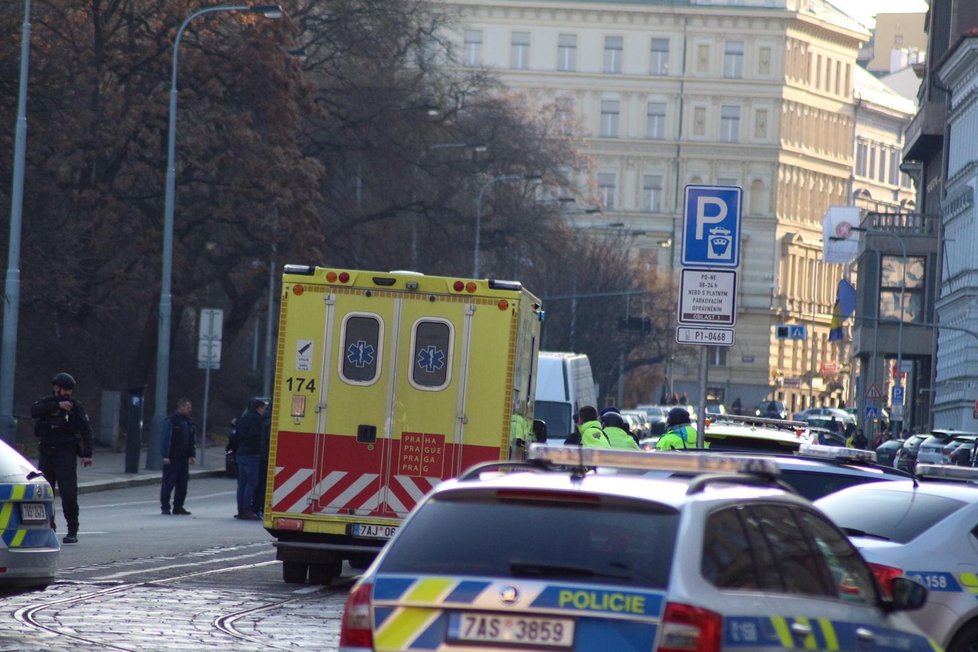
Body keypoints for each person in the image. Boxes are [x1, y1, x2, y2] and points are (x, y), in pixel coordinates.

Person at [31, 372, 93, 544]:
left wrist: (87, 453)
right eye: (64, 389)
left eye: (70, 390)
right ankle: (49, 527)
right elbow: (34, 411)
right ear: (56, 388)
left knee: (68, 493)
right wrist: (57, 406)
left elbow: (86, 429)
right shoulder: (47, 403)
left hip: (65, 452)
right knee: (45, 493)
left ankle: (72, 529)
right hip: (47, 452)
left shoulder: (75, 406)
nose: (67, 393)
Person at [228, 398, 266, 520]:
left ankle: (240, 509)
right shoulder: (257, 420)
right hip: (251, 454)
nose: (264, 411)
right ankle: (246, 509)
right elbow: (256, 437)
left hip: (240, 453)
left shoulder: (242, 418)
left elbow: (234, 436)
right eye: (263, 409)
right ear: (259, 408)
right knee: (252, 483)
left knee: (242, 484)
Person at [160, 398, 196, 516]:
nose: (189, 410)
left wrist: (192, 454)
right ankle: (165, 506)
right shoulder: (171, 420)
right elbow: (166, 439)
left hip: (183, 457)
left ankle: (178, 506)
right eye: (187, 407)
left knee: (182, 484)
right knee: (169, 483)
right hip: (172, 457)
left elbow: (191, 440)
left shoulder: (188, 421)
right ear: (180, 407)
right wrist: (165, 455)